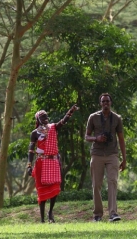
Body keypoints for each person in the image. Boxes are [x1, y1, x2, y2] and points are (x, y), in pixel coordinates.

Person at [27, 104, 78, 223]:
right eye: (42, 117)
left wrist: (70, 112)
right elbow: (31, 150)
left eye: (46, 116)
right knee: (42, 190)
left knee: (55, 187)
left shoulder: (53, 128)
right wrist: (29, 165)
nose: (45, 118)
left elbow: (63, 122)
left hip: (53, 161)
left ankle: (50, 213)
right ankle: (42, 219)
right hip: (40, 162)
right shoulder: (34, 133)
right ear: (38, 120)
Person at [85, 93, 126, 222]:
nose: (105, 103)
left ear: (111, 102)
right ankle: (97, 215)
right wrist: (97, 138)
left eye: (107, 101)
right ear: (100, 103)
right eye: (103, 101)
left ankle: (113, 213)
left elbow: (121, 138)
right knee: (96, 184)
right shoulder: (93, 117)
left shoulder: (117, 118)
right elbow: (86, 137)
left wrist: (124, 158)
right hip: (97, 154)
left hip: (112, 154)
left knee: (112, 182)